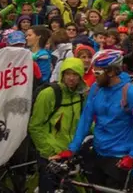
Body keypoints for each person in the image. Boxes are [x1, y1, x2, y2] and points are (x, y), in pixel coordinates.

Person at [53, 49, 133, 188]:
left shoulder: (130, 92)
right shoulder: (96, 88)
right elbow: (86, 119)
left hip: (120, 156)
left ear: (111, 72)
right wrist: (72, 148)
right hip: (98, 151)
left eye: (98, 73)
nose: (94, 76)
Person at [28, 57, 86, 192]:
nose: (71, 78)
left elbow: (83, 121)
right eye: (68, 74)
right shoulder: (49, 94)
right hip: (51, 154)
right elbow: (35, 126)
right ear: (62, 74)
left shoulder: (81, 95)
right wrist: (48, 151)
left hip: (70, 152)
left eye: (75, 74)